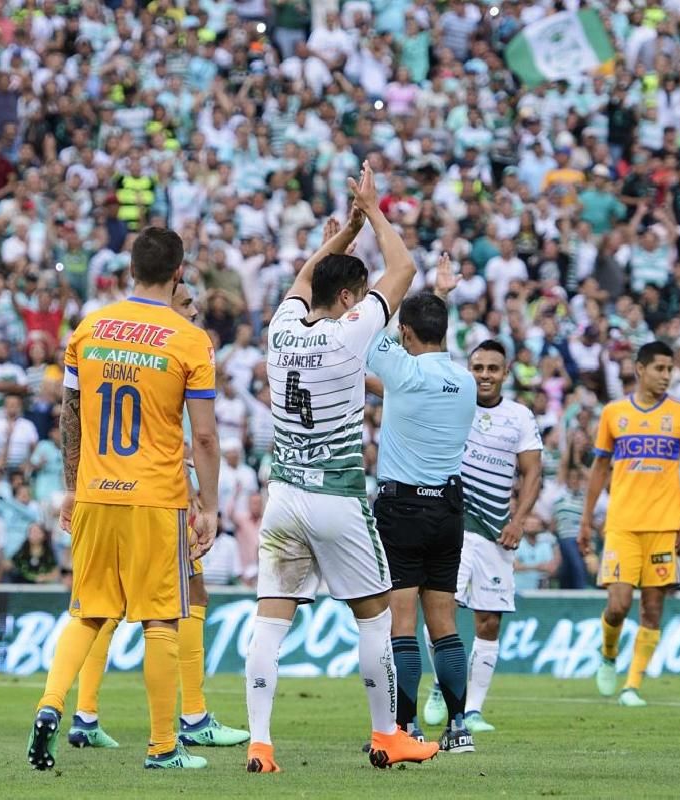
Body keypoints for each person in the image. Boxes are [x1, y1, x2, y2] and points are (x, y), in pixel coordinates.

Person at [244, 162, 438, 773]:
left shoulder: (280, 329)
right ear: (351, 300)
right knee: (374, 614)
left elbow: (305, 277)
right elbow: (404, 270)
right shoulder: (349, 333)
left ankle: (260, 742)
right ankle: (387, 736)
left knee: (271, 618)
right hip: (337, 496)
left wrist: (342, 234)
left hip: (283, 496)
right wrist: (373, 213)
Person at [26, 226, 220, 771]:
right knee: (161, 620)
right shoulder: (188, 339)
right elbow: (203, 436)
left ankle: (50, 706)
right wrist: (209, 503)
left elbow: (71, 414)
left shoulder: (88, 329)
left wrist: (70, 487)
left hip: (93, 492)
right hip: (156, 498)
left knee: (87, 612)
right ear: (179, 272)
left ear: (130, 269)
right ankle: (163, 747)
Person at [66, 281, 249, 752]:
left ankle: (83, 713)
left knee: (102, 607)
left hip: (106, 490)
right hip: (154, 499)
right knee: (180, 601)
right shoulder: (174, 342)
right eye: (187, 303)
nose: (195, 312)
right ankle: (189, 719)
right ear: (166, 298)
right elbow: (191, 434)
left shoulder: (108, 339)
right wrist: (202, 500)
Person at [364, 255, 477, 754]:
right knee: (446, 624)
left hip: (403, 509)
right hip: (449, 511)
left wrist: (413, 304)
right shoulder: (467, 381)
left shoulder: (403, 373)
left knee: (402, 624)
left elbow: (373, 333)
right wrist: (441, 296)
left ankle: (407, 728)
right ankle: (459, 727)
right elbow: (432, 342)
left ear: (408, 333)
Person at [422, 340, 542, 733]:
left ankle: (472, 710)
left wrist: (518, 520)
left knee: (489, 620)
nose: (486, 375)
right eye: (479, 367)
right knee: (441, 611)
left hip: (495, 531)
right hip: (452, 525)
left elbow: (532, 473)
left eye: (493, 368)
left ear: (506, 373)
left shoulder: (520, 416)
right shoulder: (453, 403)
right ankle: (441, 685)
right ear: (468, 370)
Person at [579, 341, 680, 707]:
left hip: (664, 526)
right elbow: (600, 468)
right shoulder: (614, 413)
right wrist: (586, 520)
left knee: (652, 609)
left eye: (670, 370)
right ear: (640, 369)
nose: (666, 376)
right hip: (622, 524)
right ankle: (608, 652)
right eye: (660, 368)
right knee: (617, 605)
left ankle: (632, 685)